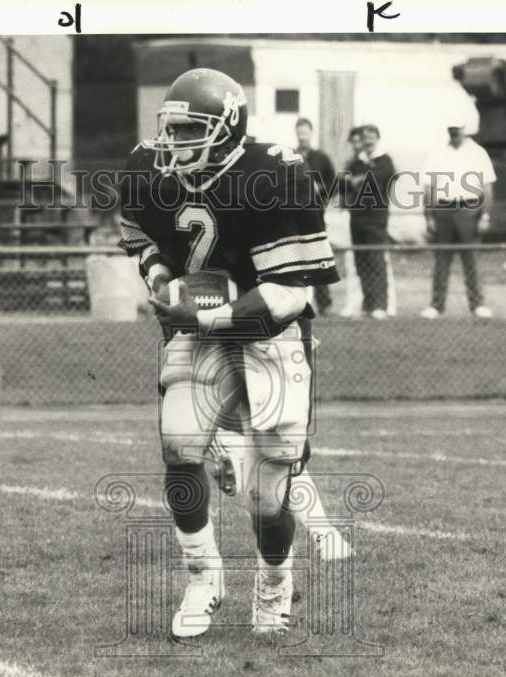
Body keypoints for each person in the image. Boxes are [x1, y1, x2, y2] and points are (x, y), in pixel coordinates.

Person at [119, 68, 345, 638]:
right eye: (171, 130)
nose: (174, 144)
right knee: (179, 447)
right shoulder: (147, 168)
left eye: (190, 131)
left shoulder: (276, 173)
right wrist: (163, 276)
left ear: (227, 130)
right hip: (196, 325)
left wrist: (204, 314)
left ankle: (274, 583)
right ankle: (203, 575)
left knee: (269, 491)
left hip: (270, 330)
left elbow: (291, 293)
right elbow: (141, 236)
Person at [420, 120, 496, 319]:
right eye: (451, 129)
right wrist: (429, 216)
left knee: (470, 259)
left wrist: (485, 216)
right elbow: (428, 187)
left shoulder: (478, 153)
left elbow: (487, 188)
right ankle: (436, 305)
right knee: (441, 260)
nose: (454, 132)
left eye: (458, 128)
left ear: (465, 128)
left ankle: (477, 304)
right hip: (443, 210)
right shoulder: (437, 153)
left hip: (469, 210)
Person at [344, 124, 395, 319]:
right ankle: (369, 303)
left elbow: (376, 179)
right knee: (361, 261)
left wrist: (358, 179)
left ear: (377, 138)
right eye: (365, 137)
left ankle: (380, 305)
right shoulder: (357, 161)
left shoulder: (385, 160)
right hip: (357, 217)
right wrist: (354, 180)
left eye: (372, 137)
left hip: (376, 218)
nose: (368, 140)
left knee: (376, 260)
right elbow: (344, 181)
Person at [294, 117, 337, 315]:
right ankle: (299, 303)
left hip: (317, 216)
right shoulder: (290, 156)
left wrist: (320, 190)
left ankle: (324, 303)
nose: (303, 136)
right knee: (296, 261)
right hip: (296, 218)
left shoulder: (321, 157)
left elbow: (333, 184)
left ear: (311, 133)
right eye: (300, 132)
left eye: (306, 132)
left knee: (319, 258)